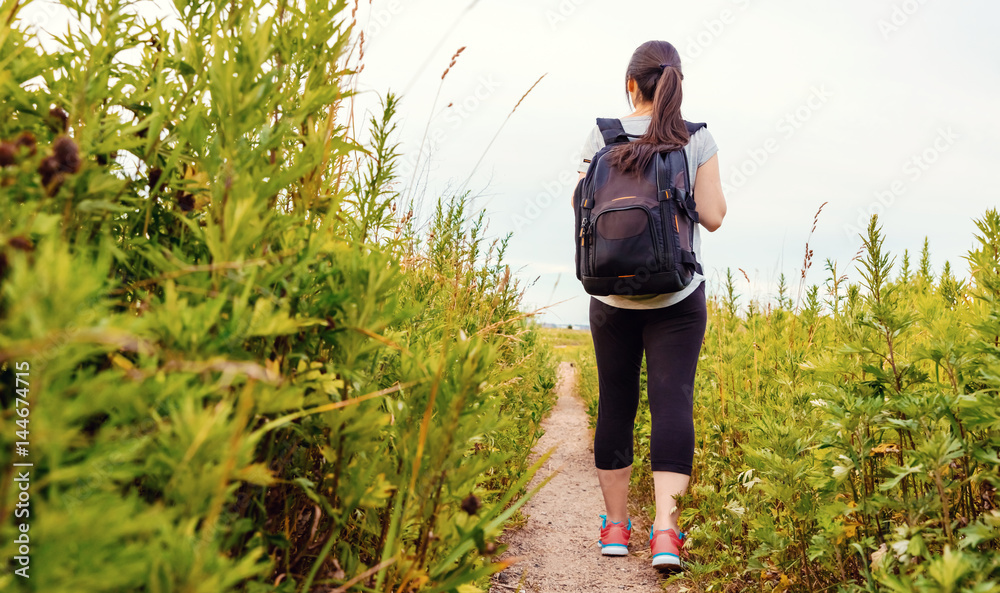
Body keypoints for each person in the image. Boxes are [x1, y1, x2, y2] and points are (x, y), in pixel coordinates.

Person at [573, 40, 727, 573]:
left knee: (617, 402)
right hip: (676, 297)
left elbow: (581, 205)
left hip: (609, 294)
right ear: (676, 86)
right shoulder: (697, 138)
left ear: (631, 85)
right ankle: (666, 534)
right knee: (672, 401)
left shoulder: (602, 134)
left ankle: (616, 529)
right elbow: (713, 216)